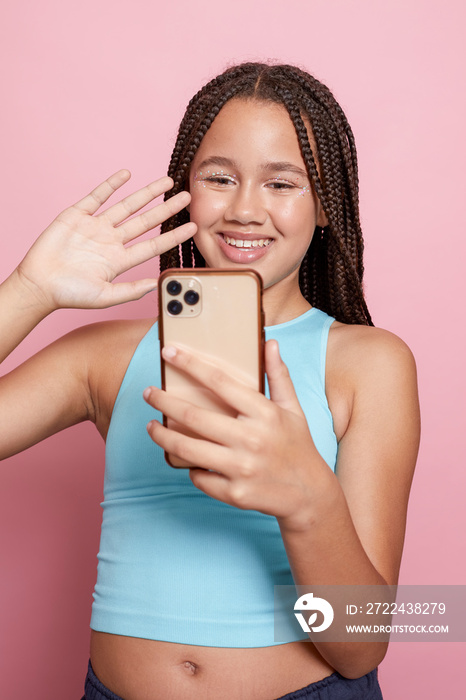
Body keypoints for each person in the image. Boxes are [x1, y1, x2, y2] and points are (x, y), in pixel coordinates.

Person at [0, 62, 420, 700]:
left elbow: (360, 645)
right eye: (219, 178)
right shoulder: (103, 356)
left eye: (283, 183)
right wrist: (28, 294)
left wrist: (307, 499)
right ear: (186, 192)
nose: (245, 209)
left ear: (327, 205)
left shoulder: (369, 363)